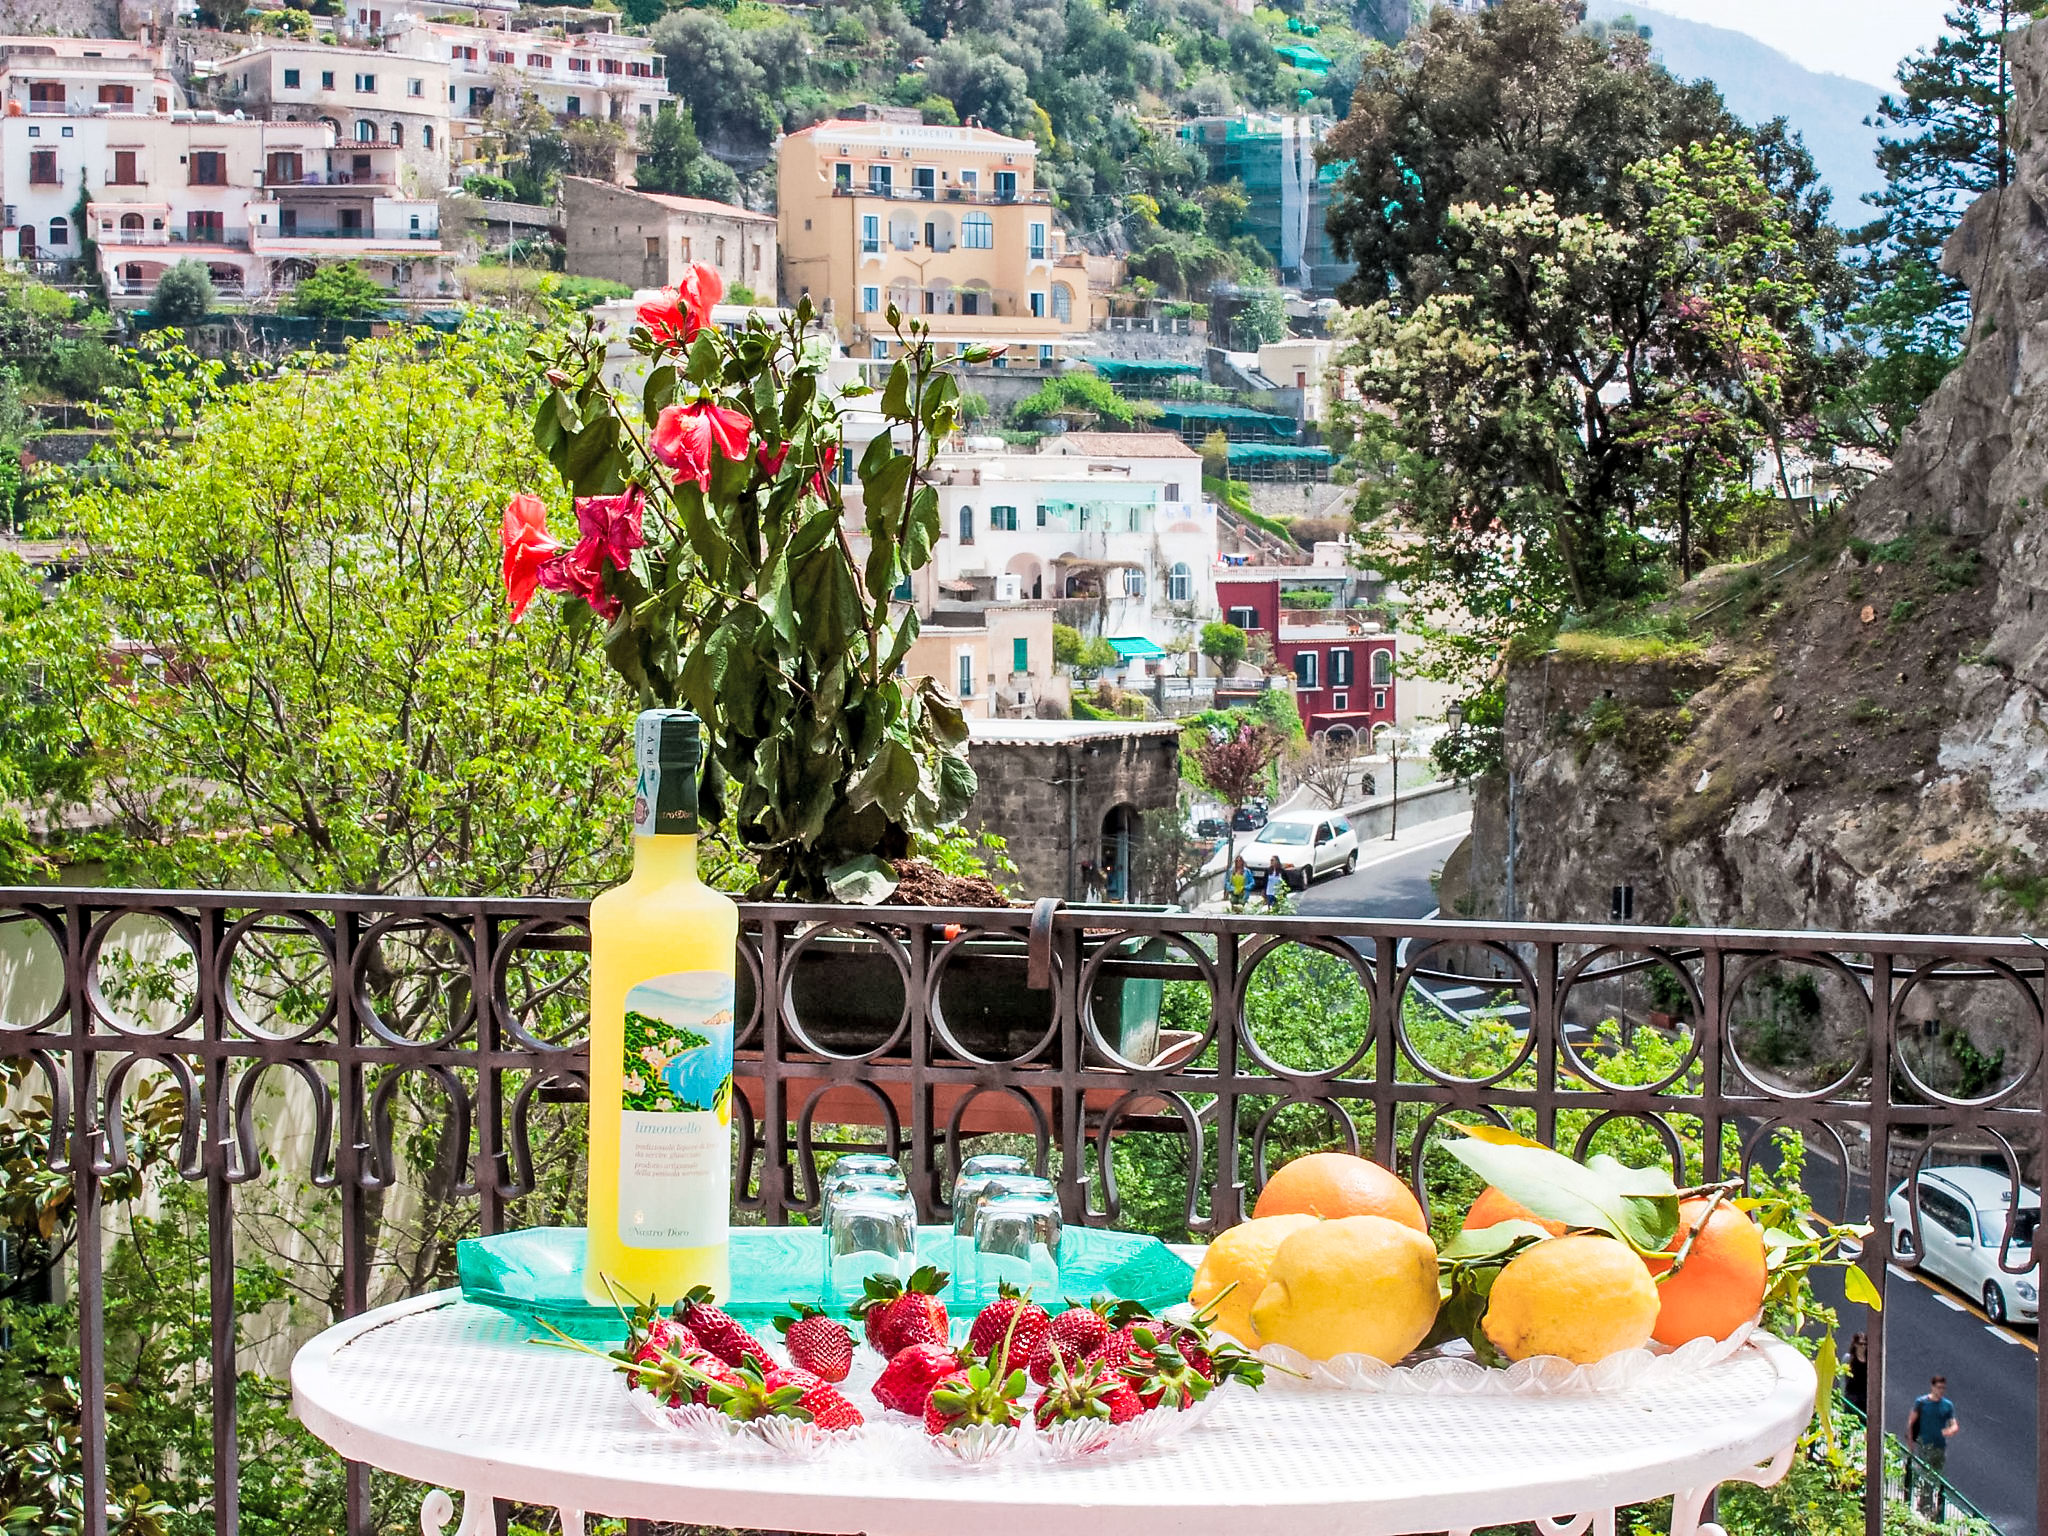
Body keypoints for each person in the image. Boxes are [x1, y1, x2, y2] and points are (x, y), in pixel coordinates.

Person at [1908, 1375, 1959, 1518]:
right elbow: (1912, 1422)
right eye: (1938, 1387)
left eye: (1943, 1388)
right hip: (1925, 1445)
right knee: (1927, 1476)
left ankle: (1931, 1506)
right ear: (1932, 1387)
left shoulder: (1947, 1405)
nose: (1941, 1390)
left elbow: (1954, 1425)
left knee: (1937, 1477)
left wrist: (1948, 1431)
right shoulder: (1922, 1403)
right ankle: (1926, 1508)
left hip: (1940, 1446)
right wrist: (1911, 1444)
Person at [1843, 1332, 1868, 1416]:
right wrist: (1843, 1398)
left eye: (1865, 1344)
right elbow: (1843, 1379)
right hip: (1852, 1396)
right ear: (1855, 1344)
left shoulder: (1869, 1360)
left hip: (1865, 1397)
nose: (1863, 1347)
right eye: (1861, 1344)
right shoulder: (1849, 1358)